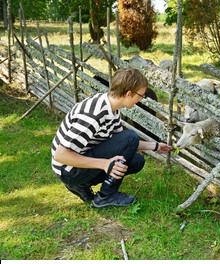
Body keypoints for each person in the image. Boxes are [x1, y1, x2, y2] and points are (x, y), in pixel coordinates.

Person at [51, 67, 172, 208]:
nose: (141, 99)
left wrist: (155, 146)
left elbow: (123, 143)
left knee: (137, 161)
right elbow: (61, 156)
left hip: (80, 161)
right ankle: (105, 196)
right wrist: (104, 164)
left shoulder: (111, 107)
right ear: (128, 94)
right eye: (141, 95)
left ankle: (82, 184)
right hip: (68, 170)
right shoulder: (93, 116)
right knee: (130, 137)